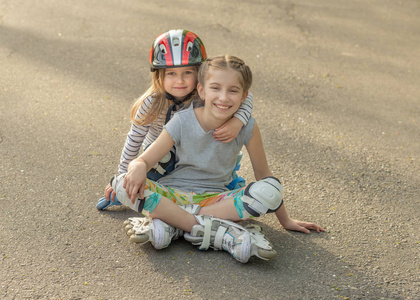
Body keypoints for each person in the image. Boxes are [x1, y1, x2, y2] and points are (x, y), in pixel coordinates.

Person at [107, 55, 325, 263]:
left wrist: (285, 221)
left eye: (233, 91)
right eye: (215, 88)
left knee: (270, 190)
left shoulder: (247, 126)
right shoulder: (182, 121)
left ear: (244, 96)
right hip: (172, 194)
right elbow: (143, 160)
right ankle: (217, 231)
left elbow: (264, 175)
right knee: (121, 184)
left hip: (218, 200)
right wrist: (136, 166)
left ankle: (174, 223)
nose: (223, 97)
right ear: (201, 90)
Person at [96, 29, 253, 210]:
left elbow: (244, 95)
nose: (180, 80)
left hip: (194, 161)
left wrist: (238, 120)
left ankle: (220, 184)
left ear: (201, 73)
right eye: (171, 73)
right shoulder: (151, 102)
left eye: (187, 72)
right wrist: (124, 176)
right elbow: (134, 139)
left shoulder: (204, 95)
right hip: (160, 163)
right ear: (159, 75)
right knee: (156, 162)